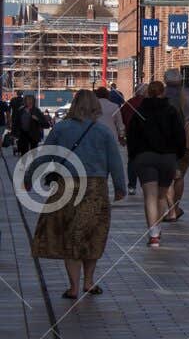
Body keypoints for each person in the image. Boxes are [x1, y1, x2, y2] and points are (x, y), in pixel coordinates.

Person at [29, 90, 127, 299]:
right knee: (93, 234)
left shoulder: (61, 129)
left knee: (70, 235)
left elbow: (45, 154)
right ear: (95, 107)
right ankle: (89, 282)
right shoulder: (102, 132)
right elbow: (115, 161)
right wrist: (120, 187)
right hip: (95, 188)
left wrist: (29, 177)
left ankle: (73, 287)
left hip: (67, 187)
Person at [124, 80, 186, 248]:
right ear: (162, 93)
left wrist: (134, 156)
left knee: (149, 196)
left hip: (145, 157)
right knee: (161, 195)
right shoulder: (171, 111)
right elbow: (180, 136)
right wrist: (178, 157)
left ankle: (154, 234)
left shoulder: (140, 111)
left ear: (147, 93)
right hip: (167, 157)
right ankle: (157, 227)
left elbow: (132, 137)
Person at [162, 69, 189, 222]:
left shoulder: (161, 95)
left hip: (165, 139)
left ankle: (171, 210)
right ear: (181, 80)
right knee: (179, 175)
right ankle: (175, 207)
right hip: (186, 137)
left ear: (165, 80)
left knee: (167, 176)